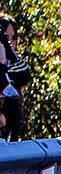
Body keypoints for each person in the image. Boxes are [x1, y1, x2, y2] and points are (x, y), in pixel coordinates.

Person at [1, 13, 29, 142]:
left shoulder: (14, 60)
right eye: (6, 37)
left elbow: (23, 73)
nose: (10, 42)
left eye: (13, 38)